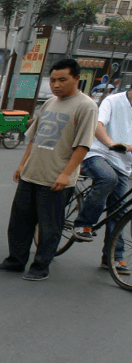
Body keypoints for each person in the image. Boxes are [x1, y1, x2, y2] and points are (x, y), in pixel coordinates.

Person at [0, 58, 98, 281]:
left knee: (49, 226)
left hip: (55, 177)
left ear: (77, 79)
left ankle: (40, 266)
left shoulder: (86, 106)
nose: (56, 84)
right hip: (32, 173)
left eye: (62, 80)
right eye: (52, 80)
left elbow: (83, 145)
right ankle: (15, 260)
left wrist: (66, 173)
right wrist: (22, 165)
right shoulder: (50, 103)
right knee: (20, 221)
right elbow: (33, 138)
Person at [73, 85, 132, 275]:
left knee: (120, 209)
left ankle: (112, 257)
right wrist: (111, 144)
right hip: (99, 154)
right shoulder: (113, 101)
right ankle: (84, 223)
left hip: (124, 164)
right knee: (108, 178)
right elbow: (98, 124)